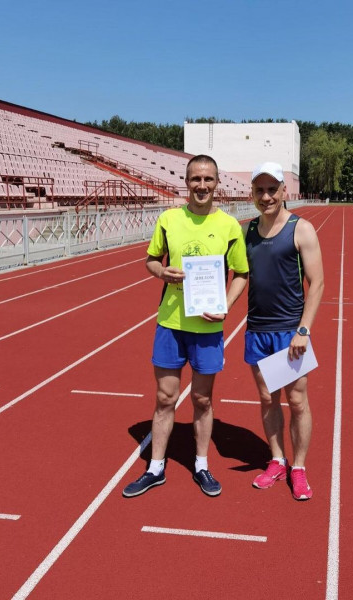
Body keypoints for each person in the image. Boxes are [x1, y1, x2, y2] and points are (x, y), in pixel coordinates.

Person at [123, 155, 248, 498]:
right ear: (187, 182)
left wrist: (225, 306)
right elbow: (151, 260)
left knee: (202, 399)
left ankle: (202, 464)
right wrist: (162, 272)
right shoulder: (169, 219)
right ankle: (155, 467)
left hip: (207, 328)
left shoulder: (229, 226)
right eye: (195, 179)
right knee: (165, 397)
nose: (202, 186)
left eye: (208, 179)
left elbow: (241, 273)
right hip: (171, 323)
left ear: (217, 183)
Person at [244, 162, 324, 500]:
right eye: (260, 190)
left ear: (283, 191)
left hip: (289, 331)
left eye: (272, 190)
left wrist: (303, 330)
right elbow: (237, 275)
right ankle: (277, 460)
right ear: (252, 193)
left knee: (297, 400)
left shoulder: (300, 229)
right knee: (267, 398)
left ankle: (299, 468)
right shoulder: (248, 230)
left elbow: (317, 283)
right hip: (257, 330)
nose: (266, 197)